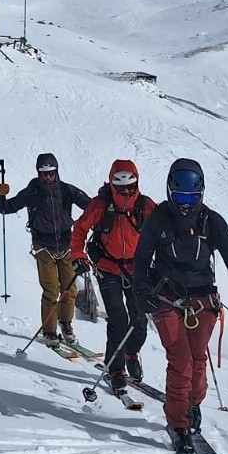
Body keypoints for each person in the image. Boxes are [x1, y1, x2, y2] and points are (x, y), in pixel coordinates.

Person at [133, 158, 228, 454]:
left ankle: (192, 411)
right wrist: (141, 291)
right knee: (180, 360)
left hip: (203, 303)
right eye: (179, 198)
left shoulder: (213, 223)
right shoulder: (158, 220)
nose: (184, 206)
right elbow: (141, 260)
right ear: (169, 192)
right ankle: (179, 425)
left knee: (197, 363)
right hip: (166, 300)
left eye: (191, 199)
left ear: (201, 195)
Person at [69, 159, 156, 394]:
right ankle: (115, 370)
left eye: (130, 186)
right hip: (107, 268)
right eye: (121, 187)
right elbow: (79, 230)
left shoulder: (146, 206)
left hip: (136, 270)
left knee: (139, 319)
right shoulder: (100, 205)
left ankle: (130, 352)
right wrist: (77, 255)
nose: (126, 191)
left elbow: (165, 232)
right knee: (118, 319)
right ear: (112, 184)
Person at [0, 153, 94, 354]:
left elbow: (91, 206)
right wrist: (0, 194)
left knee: (69, 289)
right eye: (44, 173)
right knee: (51, 292)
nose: (47, 177)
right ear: (39, 173)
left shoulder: (66, 190)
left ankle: (65, 325)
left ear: (56, 171)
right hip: (43, 248)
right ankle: (49, 332)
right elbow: (7, 208)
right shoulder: (32, 192)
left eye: (51, 173)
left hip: (66, 245)